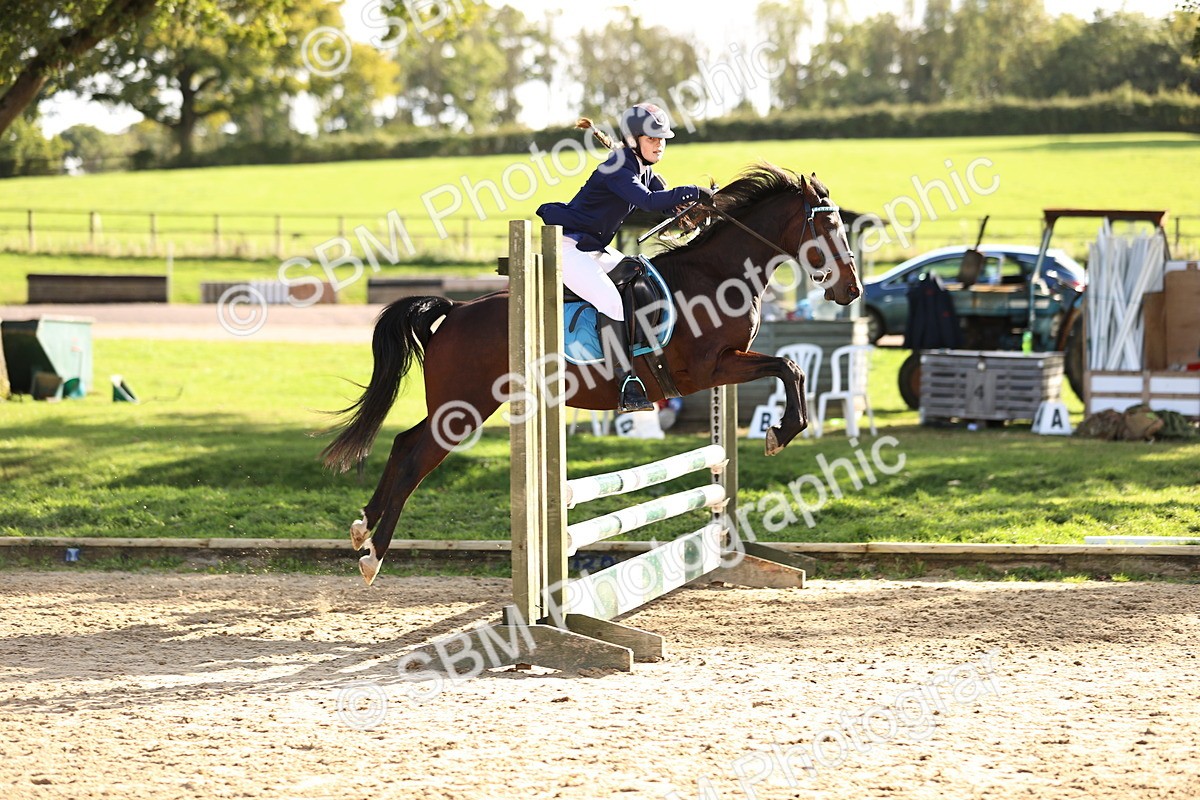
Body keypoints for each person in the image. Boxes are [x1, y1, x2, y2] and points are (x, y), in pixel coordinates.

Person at [537, 102, 713, 412]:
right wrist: (694, 191)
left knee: (638, 274)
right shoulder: (618, 166)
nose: (659, 144)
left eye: (662, 139)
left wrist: (692, 212)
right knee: (610, 300)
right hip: (568, 248)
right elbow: (648, 201)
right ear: (633, 139)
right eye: (652, 138)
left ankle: (645, 359)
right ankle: (626, 383)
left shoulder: (643, 169)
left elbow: (664, 203)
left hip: (591, 248)